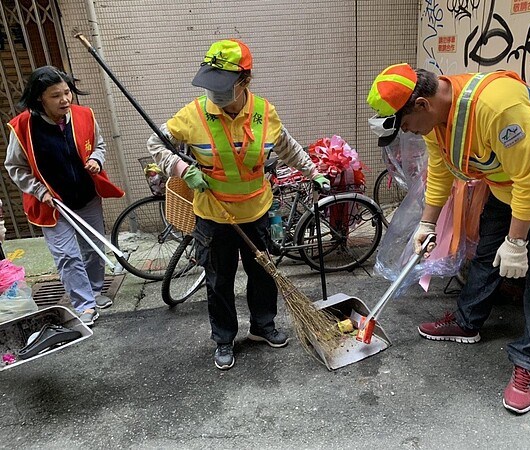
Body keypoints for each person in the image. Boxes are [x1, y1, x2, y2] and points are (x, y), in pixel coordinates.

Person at [367, 63, 530, 414]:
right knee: (486, 253)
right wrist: (427, 225)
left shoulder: (498, 108)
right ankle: (468, 322)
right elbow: (440, 171)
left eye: (406, 125)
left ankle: (529, 363)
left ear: (422, 104)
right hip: (506, 188)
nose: (408, 132)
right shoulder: (436, 118)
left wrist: (517, 243)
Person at [148, 39, 331, 371]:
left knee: (263, 274)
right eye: (210, 84)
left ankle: (263, 327)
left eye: (223, 86)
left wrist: (313, 172)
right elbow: (155, 143)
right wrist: (181, 169)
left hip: (256, 212)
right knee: (219, 280)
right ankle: (224, 338)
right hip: (213, 217)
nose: (214, 93)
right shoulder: (193, 114)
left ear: (245, 80)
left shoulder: (264, 113)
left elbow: (287, 146)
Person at [4, 66, 124, 326]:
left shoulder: (85, 116)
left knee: (93, 247)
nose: (65, 100)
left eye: (67, 92)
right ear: (39, 98)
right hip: (52, 203)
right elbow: (15, 167)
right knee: (67, 255)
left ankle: (93, 290)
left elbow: (99, 145)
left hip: (86, 195)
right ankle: (85, 304)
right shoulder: (23, 126)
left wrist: (96, 159)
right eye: (56, 95)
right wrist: (39, 190)